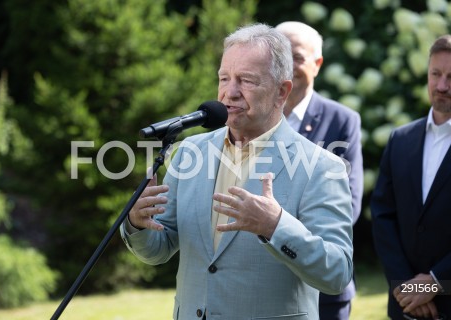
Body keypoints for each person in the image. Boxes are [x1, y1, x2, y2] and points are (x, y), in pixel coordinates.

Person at [120, 23, 354, 320]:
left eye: (246, 80)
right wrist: (138, 224)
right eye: (224, 78)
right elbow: (159, 249)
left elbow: (337, 274)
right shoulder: (189, 152)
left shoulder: (322, 167)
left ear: (281, 92)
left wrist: (275, 226)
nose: (230, 92)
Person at [276, 21, 363, 320]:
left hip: (323, 287)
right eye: (280, 55)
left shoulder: (343, 120)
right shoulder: (251, 118)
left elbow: (348, 205)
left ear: (318, 64)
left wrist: (273, 226)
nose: (287, 65)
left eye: (297, 56)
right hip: (263, 285)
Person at [371, 35, 451, 320]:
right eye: (436, 74)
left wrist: (436, 281)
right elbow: (382, 215)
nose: (442, 86)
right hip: (405, 305)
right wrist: (405, 286)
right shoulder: (401, 139)